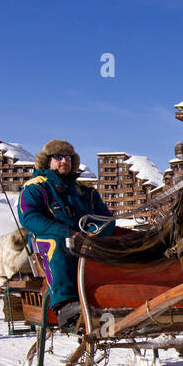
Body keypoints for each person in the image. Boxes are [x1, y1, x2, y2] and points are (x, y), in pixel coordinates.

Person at [17, 140, 113, 326]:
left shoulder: (86, 192)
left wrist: (92, 234)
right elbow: (30, 218)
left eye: (68, 158)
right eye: (58, 157)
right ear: (47, 161)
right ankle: (65, 303)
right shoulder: (35, 187)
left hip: (86, 240)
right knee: (57, 242)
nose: (64, 161)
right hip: (49, 239)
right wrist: (66, 232)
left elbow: (107, 219)